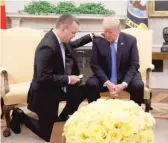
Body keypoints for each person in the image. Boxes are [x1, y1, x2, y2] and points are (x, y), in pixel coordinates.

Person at [10, 14, 102, 142]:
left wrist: (91, 36)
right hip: (45, 93)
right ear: (63, 28)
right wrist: (69, 79)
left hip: (59, 88)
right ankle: (21, 116)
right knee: (50, 136)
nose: (74, 35)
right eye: (73, 32)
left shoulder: (61, 40)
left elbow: (73, 44)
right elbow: (43, 77)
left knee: (85, 89)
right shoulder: (46, 46)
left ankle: (61, 121)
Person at [86, 16, 144, 106]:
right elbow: (95, 64)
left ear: (118, 30)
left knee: (138, 86)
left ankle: (135, 114)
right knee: (91, 84)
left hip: (125, 76)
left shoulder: (130, 40)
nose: (107, 34)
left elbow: (134, 64)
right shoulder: (98, 41)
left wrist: (124, 84)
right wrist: (107, 82)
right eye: (105, 31)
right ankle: (96, 112)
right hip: (105, 77)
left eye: (110, 32)